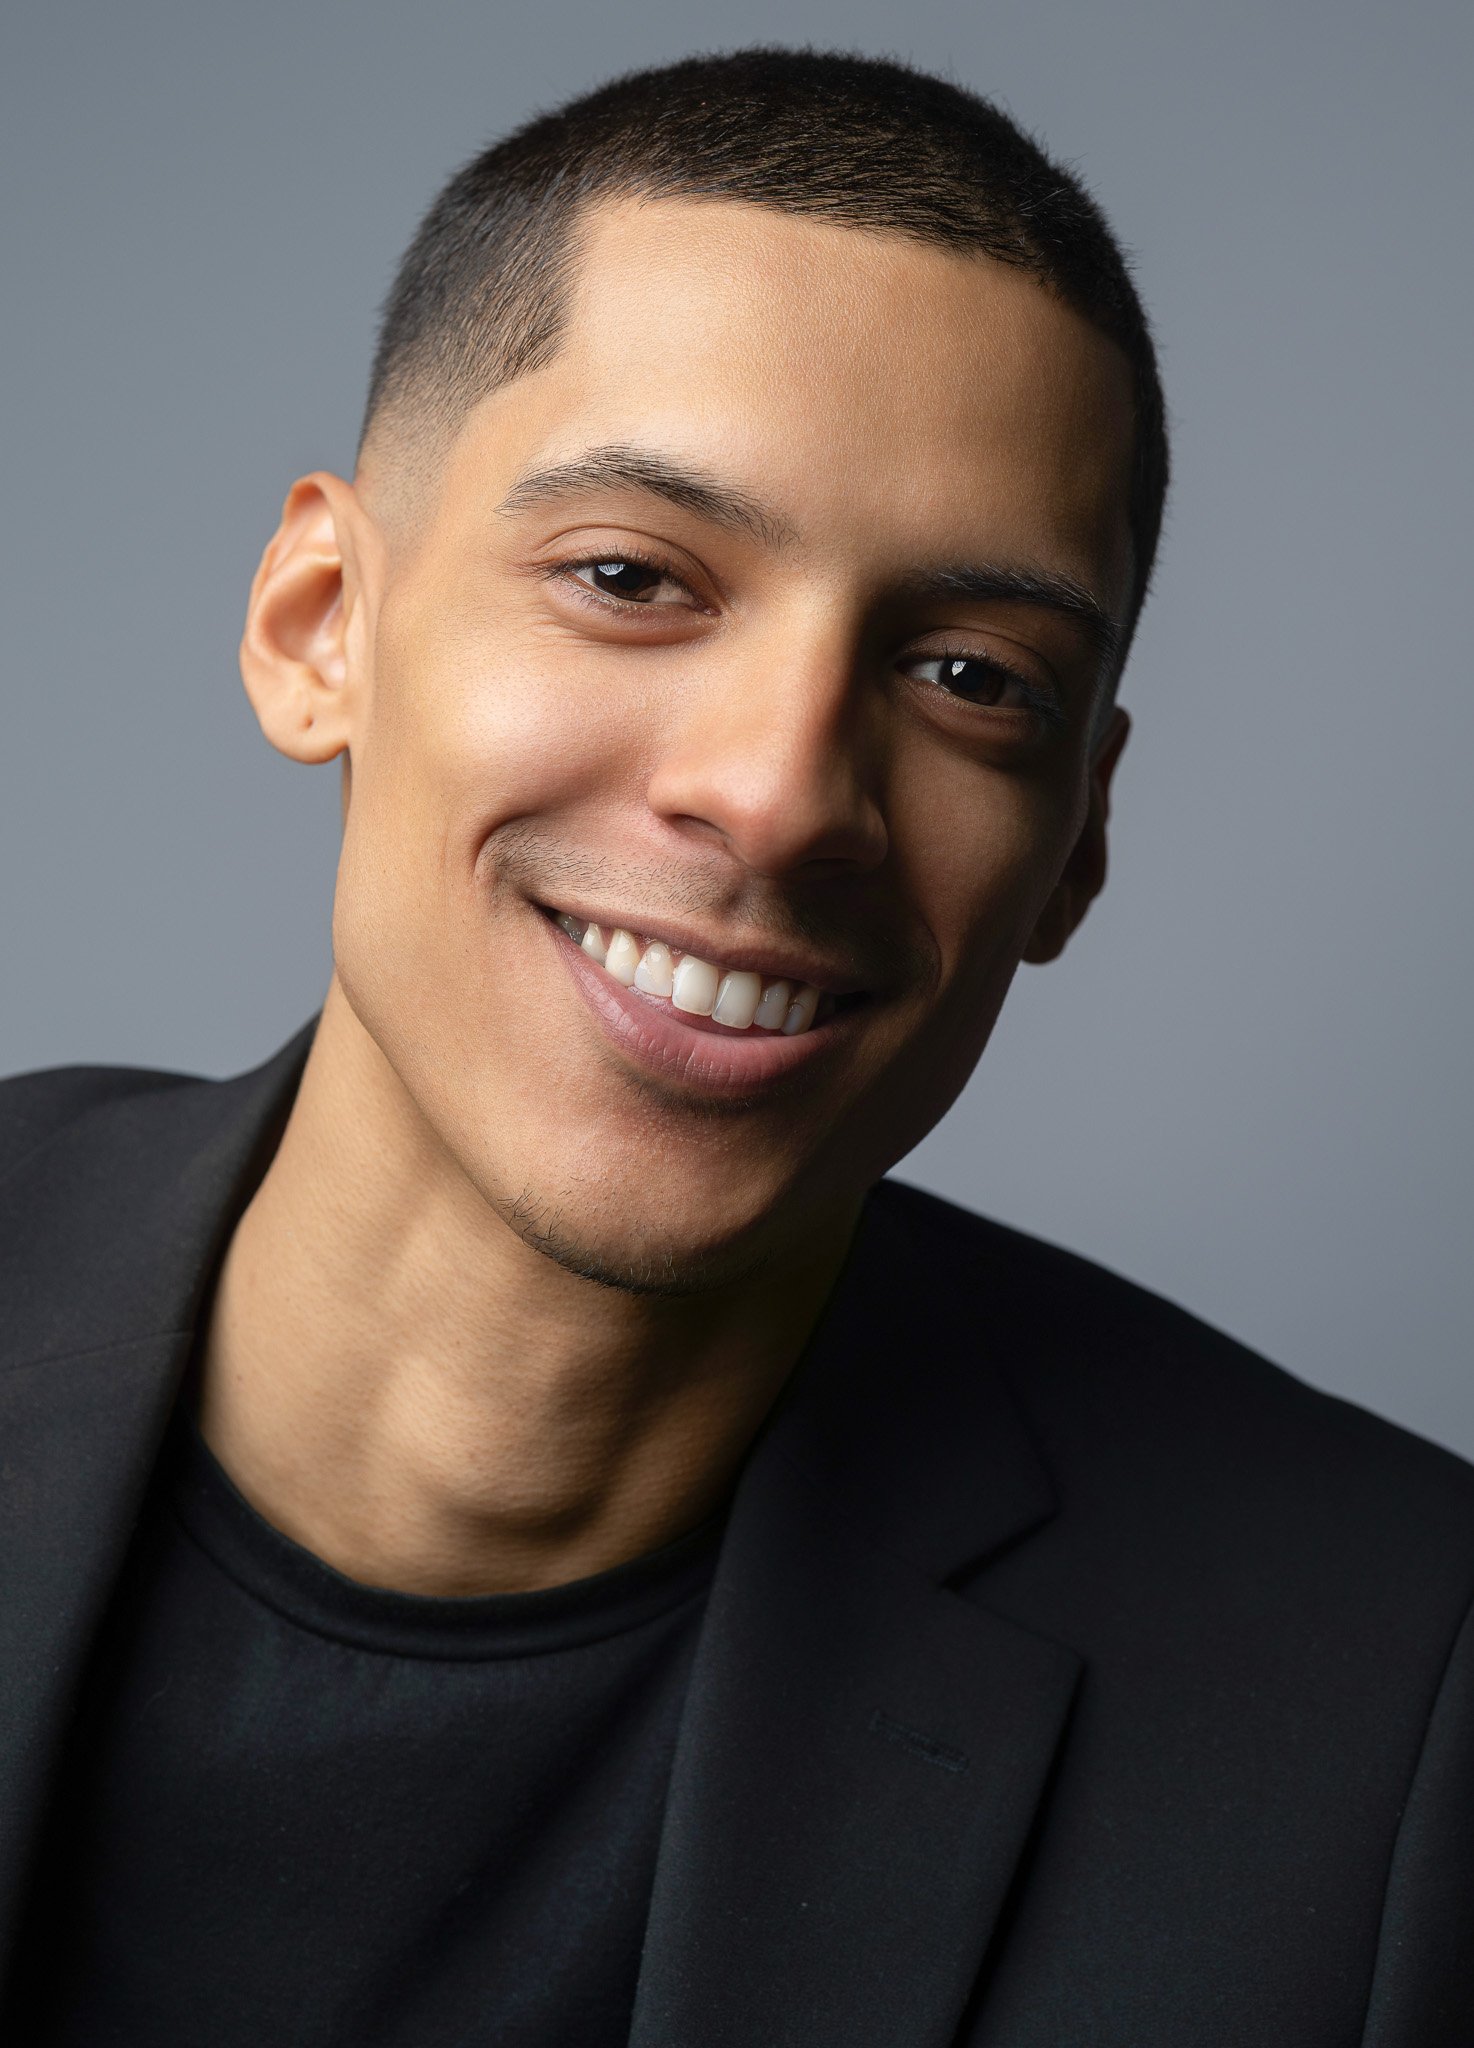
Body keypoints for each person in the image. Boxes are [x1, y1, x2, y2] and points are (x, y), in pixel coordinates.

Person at [0, 45, 1468, 2047]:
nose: (780, 796)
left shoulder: (1390, 1705)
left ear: (1075, 843)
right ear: (321, 621)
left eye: (968, 677)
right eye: (628, 578)